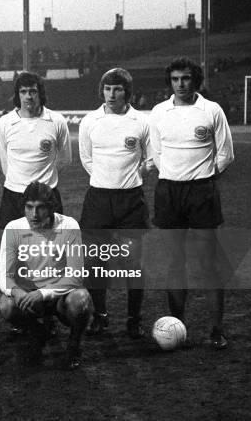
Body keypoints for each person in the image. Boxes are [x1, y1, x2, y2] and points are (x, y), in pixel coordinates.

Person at [150, 56, 234, 349]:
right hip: (169, 193)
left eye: (185, 78)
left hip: (202, 193)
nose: (180, 84)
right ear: (169, 81)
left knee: (209, 264)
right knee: (175, 263)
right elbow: (156, 153)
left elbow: (225, 154)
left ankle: (217, 329)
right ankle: (177, 326)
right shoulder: (159, 112)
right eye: (175, 79)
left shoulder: (211, 111)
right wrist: (174, 176)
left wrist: (204, 180)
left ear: (194, 79)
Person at [78, 68, 152, 338]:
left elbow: (152, 158)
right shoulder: (89, 121)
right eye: (108, 88)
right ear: (102, 91)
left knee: (133, 263)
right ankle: (100, 315)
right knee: (96, 262)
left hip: (131, 200)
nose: (111, 94)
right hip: (98, 199)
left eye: (117, 89)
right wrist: (106, 178)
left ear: (127, 92)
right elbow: (86, 159)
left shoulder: (141, 121)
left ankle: (134, 319)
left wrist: (131, 177)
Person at [0, 182, 92, 369]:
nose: (34, 214)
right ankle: (37, 332)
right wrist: (16, 292)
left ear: (51, 208)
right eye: (29, 207)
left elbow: (75, 275)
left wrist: (43, 293)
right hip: (28, 295)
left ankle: (74, 346)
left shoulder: (69, 225)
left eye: (40, 208)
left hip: (60, 296)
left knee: (81, 299)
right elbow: (3, 275)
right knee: (6, 305)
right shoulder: (13, 228)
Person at [0, 71, 71, 229]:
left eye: (32, 91)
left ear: (40, 93)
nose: (28, 96)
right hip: (13, 193)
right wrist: (19, 180)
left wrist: (44, 181)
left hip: (47, 194)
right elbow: (4, 160)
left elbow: (65, 159)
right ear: (18, 94)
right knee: (13, 247)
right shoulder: (5, 122)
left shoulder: (57, 121)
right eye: (23, 92)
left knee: (50, 247)